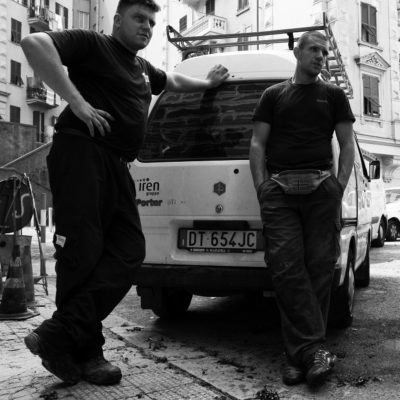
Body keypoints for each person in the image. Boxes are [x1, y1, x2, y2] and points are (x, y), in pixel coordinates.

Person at [21, 0, 229, 386]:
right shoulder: (96, 44)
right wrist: (78, 103)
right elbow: (34, 43)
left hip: (117, 163)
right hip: (81, 150)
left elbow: (175, 81)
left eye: (152, 21)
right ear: (117, 20)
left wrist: (208, 83)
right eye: (139, 18)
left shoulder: (142, 68)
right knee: (81, 252)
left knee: (129, 250)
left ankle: (59, 335)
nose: (147, 27)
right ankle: (85, 351)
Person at [249, 30, 355, 387]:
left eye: (324, 52)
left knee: (320, 267)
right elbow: (257, 144)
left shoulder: (334, 95)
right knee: (285, 266)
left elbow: (346, 143)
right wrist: (263, 188)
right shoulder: (273, 95)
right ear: (297, 52)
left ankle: (297, 356)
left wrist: (337, 186)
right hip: (279, 189)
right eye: (314, 50)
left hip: (321, 188)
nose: (320, 57)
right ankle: (313, 352)